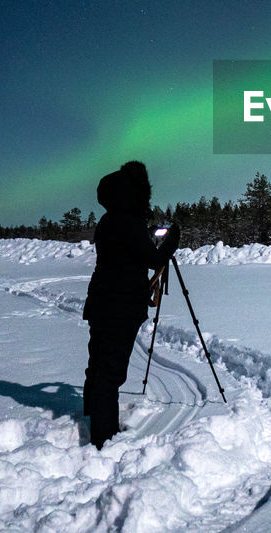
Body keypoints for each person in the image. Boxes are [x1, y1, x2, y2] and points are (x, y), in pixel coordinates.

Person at [81, 160, 180, 449]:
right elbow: (153, 258)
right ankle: (104, 437)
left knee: (97, 364)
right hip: (119, 306)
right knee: (110, 372)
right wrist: (171, 241)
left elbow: (129, 253)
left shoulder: (109, 220)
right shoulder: (127, 221)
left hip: (102, 302)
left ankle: (93, 419)